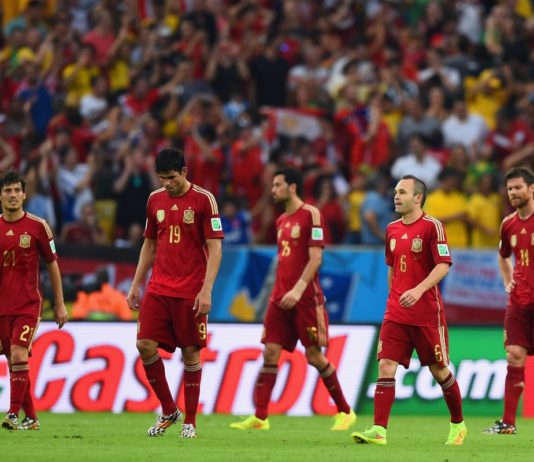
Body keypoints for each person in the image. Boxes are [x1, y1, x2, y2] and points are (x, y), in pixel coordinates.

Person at [230, 167, 356, 431]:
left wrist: (298, 289)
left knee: (314, 356)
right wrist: (281, 290)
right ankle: (260, 417)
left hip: (305, 297)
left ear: (293, 187)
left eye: (277, 185)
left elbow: (316, 258)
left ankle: (345, 412)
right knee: (270, 352)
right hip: (279, 297)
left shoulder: (311, 214)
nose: (273, 190)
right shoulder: (280, 221)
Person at [351, 175, 467, 446]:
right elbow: (392, 267)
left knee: (439, 370)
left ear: (418, 198)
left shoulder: (432, 226)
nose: (396, 196)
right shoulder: (391, 229)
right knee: (386, 364)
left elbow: (443, 264)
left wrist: (418, 290)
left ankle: (458, 424)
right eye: (395, 192)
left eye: (402, 192)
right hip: (396, 312)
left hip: (426, 312)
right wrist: (394, 296)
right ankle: (379, 430)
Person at [127, 147, 223, 439]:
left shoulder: (204, 200)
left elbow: (215, 247)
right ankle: (169, 409)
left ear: (184, 172)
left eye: (171, 177)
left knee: (190, 353)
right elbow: (149, 244)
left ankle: (189, 422)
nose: (167, 183)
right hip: (159, 287)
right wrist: (136, 283)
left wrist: (206, 290)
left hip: (191, 289)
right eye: (162, 178)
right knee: (144, 344)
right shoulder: (154, 200)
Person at [0, 170, 68, 431]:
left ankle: (12, 414)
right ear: (0, 196)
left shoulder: (38, 226)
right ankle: (31, 418)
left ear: (24, 195)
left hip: (28, 305)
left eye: (17, 190)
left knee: (18, 353)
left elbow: (53, 264)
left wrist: (59, 303)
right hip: (2, 306)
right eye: (8, 191)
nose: (13, 195)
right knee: (13, 360)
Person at [483, 167, 534, 435]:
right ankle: (507, 423)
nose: (513, 192)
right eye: (510, 188)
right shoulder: (508, 224)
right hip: (519, 301)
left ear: (531, 189)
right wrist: (508, 280)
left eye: (518, 188)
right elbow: (503, 256)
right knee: (514, 355)